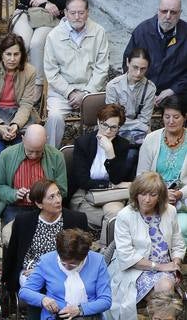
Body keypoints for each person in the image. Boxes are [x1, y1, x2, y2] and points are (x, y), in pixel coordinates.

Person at [104, 173, 185, 320]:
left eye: (153, 195)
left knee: (165, 284)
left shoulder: (169, 211)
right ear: (135, 194)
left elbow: (178, 243)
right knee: (165, 287)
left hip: (167, 267)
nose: (147, 199)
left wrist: (176, 262)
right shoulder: (125, 215)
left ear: (160, 196)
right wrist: (162, 267)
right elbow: (127, 257)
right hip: (135, 268)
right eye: (143, 194)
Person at [43, 0, 110, 147]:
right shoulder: (53, 36)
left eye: (81, 12)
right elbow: (51, 72)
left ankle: (99, 156)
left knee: (109, 117)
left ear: (87, 12)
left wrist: (86, 94)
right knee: (54, 118)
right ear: (65, 13)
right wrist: (70, 92)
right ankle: (50, 157)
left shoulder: (99, 32)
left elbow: (102, 68)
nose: (77, 17)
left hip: (91, 90)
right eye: (72, 13)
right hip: (62, 92)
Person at [2, 179, 88, 294]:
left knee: (62, 286)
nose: (58, 200)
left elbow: (82, 254)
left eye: (58, 194)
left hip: (66, 269)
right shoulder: (23, 221)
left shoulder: (77, 219)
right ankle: (37, 311)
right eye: (51, 197)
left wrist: (46, 270)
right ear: (39, 204)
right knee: (34, 286)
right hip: (32, 270)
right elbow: (15, 254)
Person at [69, 103, 131, 240]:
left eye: (113, 127)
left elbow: (116, 178)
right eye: (104, 125)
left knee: (116, 215)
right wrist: (109, 185)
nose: (108, 131)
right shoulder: (83, 143)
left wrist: (110, 153)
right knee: (114, 221)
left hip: (111, 195)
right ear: (98, 121)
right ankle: (106, 247)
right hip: (85, 193)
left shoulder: (122, 145)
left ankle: (105, 251)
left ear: (119, 127)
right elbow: (82, 180)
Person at [0, 32, 39, 160]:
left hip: (19, 114)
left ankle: (20, 179)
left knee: (21, 151)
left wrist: (16, 125)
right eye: (8, 54)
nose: (12, 59)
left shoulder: (30, 71)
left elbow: (26, 104)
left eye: (16, 54)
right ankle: (0, 179)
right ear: (1, 54)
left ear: (22, 55)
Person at [0, 122, 67, 222]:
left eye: (38, 151)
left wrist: (41, 196)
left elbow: (62, 190)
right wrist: (14, 194)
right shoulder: (7, 155)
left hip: (46, 206)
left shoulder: (56, 156)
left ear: (46, 140)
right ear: (23, 139)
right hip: (16, 206)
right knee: (16, 232)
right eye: (30, 151)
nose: (34, 156)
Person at [136, 97, 187, 237]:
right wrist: (161, 193)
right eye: (167, 116)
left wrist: (179, 193)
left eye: (176, 117)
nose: (171, 121)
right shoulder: (151, 139)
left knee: (182, 227)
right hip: (153, 196)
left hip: (183, 200)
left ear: (185, 117)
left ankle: (176, 259)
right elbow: (141, 176)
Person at [123, 0, 187, 106]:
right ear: (158, 11)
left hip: (176, 92)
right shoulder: (142, 31)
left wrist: (173, 90)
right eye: (164, 11)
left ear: (180, 13)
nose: (168, 16)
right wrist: (145, 91)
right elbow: (127, 64)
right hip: (142, 88)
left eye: (173, 12)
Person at [105, 47, 156, 148]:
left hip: (139, 132)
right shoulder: (113, 86)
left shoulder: (150, 88)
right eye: (135, 67)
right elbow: (112, 118)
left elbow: (145, 119)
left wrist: (142, 126)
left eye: (143, 69)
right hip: (115, 129)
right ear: (128, 62)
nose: (138, 73)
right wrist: (141, 126)